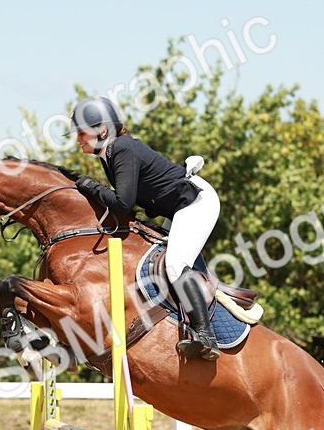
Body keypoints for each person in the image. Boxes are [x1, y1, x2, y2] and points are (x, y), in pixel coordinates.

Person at [68, 96, 221, 361]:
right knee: (160, 259)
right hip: (177, 209)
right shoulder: (110, 152)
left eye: (82, 132)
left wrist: (91, 186)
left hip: (195, 203)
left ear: (102, 130)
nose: (78, 139)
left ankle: (205, 337)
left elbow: (123, 203)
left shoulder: (122, 148)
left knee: (174, 264)